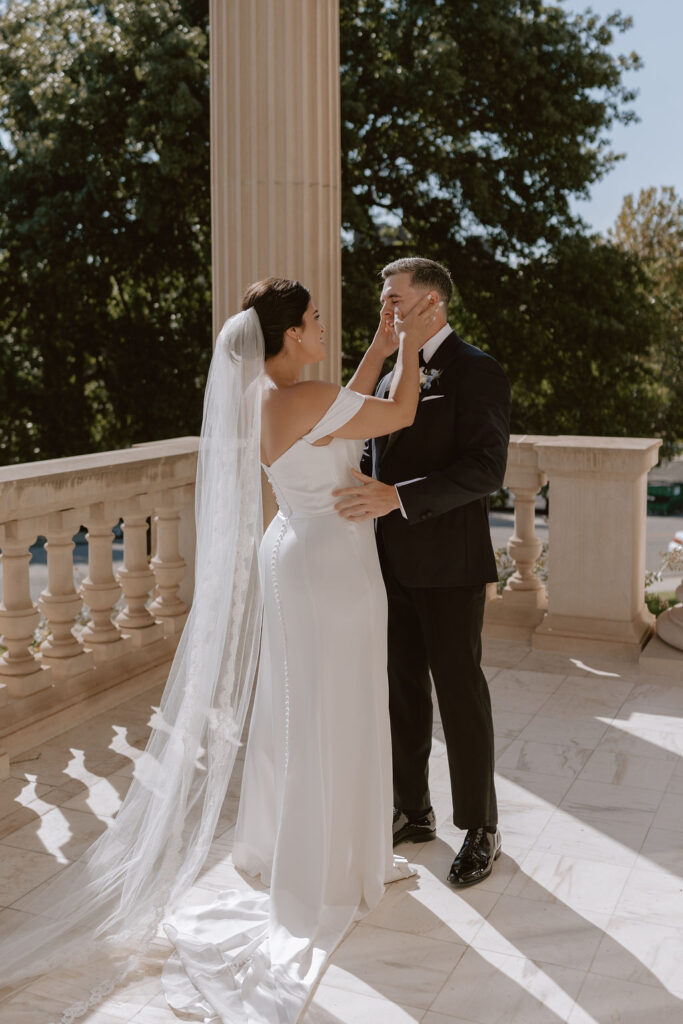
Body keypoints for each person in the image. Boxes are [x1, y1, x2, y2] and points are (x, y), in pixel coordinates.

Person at [0, 278, 437, 1024]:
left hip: (293, 552)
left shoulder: (272, 396)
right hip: (332, 566)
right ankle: (331, 865)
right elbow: (394, 412)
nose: (322, 325)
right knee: (339, 703)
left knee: (301, 704)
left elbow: (343, 410)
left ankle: (315, 846)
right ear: (290, 335)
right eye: (314, 319)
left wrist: (379, 348)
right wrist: (418, 344)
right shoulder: (305, 397)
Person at [334, 257, 511, 888]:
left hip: (450, 564)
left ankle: (481, 828)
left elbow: (487, 469)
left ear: (431, 302)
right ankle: (413, 812)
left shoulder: (476, 370)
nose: (385, 309)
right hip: (386, 563)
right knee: (400, 691)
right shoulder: (392, 378)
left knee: (460, 693)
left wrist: (398, 497)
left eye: (394, 299)